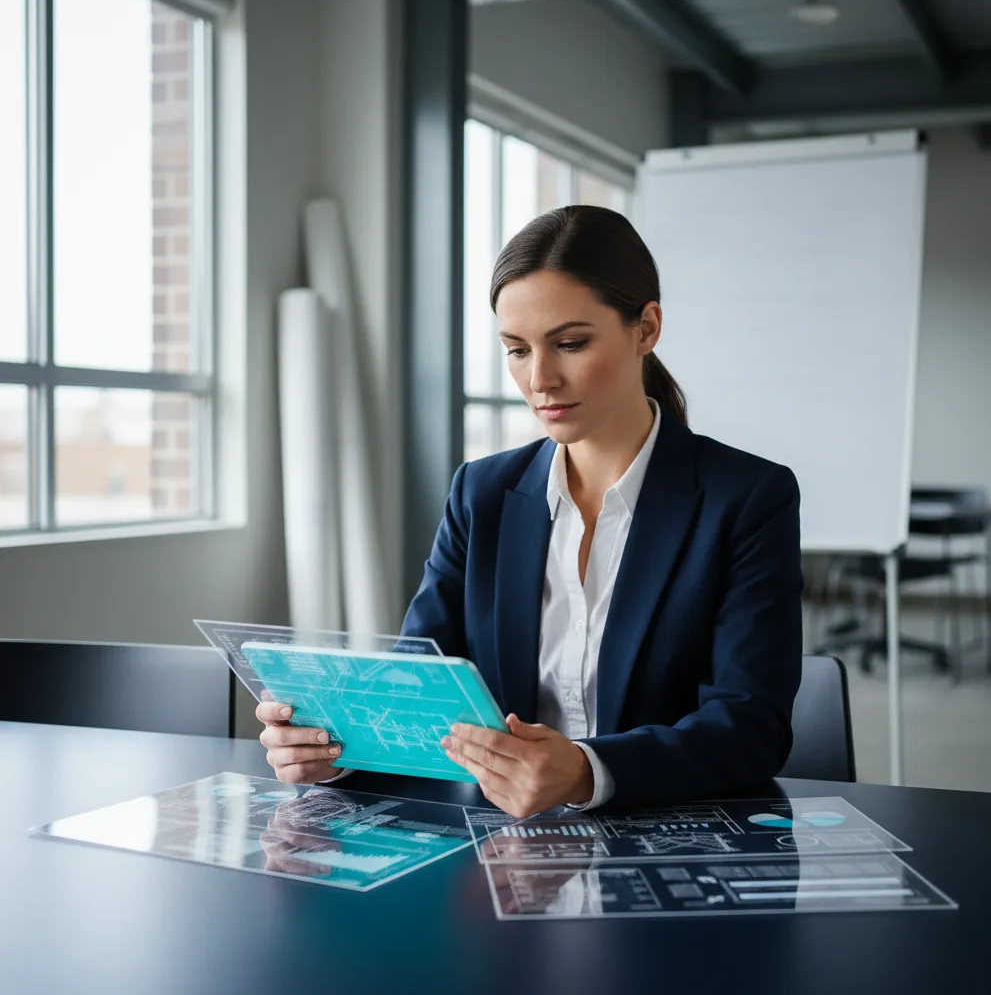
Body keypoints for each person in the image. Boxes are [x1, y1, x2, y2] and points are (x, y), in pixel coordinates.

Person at [257, 205, 803, 816]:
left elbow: (752, 725)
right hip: (498, 845)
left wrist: (590, 770)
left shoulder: (747, 497)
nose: (540, 379)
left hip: (666, 831)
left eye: (570, 344)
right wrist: (341, 746)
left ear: (646, 328)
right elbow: (418, 683)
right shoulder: (481, 493)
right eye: (517, 350)